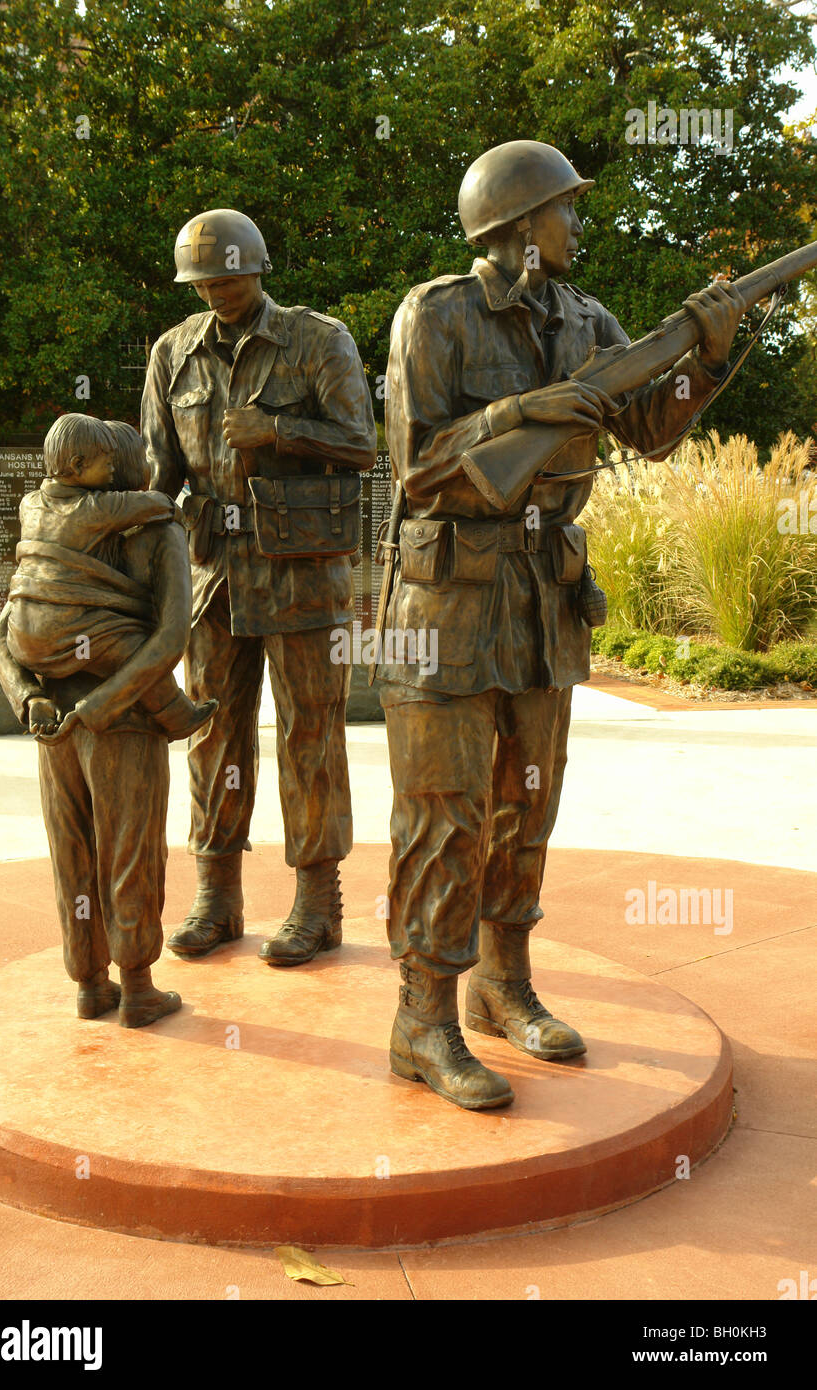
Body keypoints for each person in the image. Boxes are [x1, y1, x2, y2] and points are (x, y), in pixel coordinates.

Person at [377, 140, 747, 1110]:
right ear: (514, 227)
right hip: (446, 597)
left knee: (522, 804)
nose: (577, 227)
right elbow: (414, 468)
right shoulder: (436, 314)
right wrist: (513, 414)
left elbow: (647, 433)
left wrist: (705, 355)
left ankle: (502, 983)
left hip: (543, 595)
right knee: (440, 816)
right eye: (564, 212)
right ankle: (422, 1017)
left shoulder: (588, 321)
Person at [141, 208, 377, 966]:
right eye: (203, 280)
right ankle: (217, 896)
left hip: (303, 570)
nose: (215, 289)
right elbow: (157, 473)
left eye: (227, 276)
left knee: (312, 733)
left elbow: (363, 446)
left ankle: (317, 902)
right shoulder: (173, 354)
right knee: (212, 734)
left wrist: (279, 432)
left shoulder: (318, 339)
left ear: (258, 268)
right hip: (213, 574)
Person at [0, 420, 190, 1028]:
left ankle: (89, 984)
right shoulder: (157, 533)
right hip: (122, 716)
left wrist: (26, 700)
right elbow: (172, 637)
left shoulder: (45, 522)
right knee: (129, 848)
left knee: (72, 849)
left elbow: (5, 632)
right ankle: (137, 986)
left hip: (53, 719)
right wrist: (105, 703)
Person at [6, 412, 216, 743]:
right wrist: (175, 510)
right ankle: (176, 714)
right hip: (85, 653)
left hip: (25, 640)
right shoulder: (96, 509)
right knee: (132, 649)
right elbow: (171, 639)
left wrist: (29, 695)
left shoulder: (30, 503)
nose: (112, 469)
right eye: (106, 461)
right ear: (77, 465)